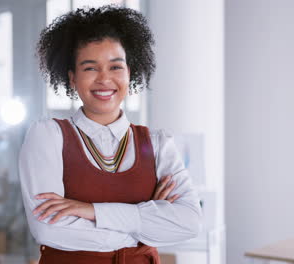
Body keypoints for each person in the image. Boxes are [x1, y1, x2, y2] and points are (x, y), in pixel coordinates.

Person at [19, 5, 202, 264]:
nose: (104, 79)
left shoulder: (158, 143)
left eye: (116, 67)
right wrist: (144, 224)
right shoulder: (48, 136)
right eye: (90, 68)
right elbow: (48, 229)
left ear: (130, 73)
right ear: (72, 78)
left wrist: (91, 212)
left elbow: (190, 223)